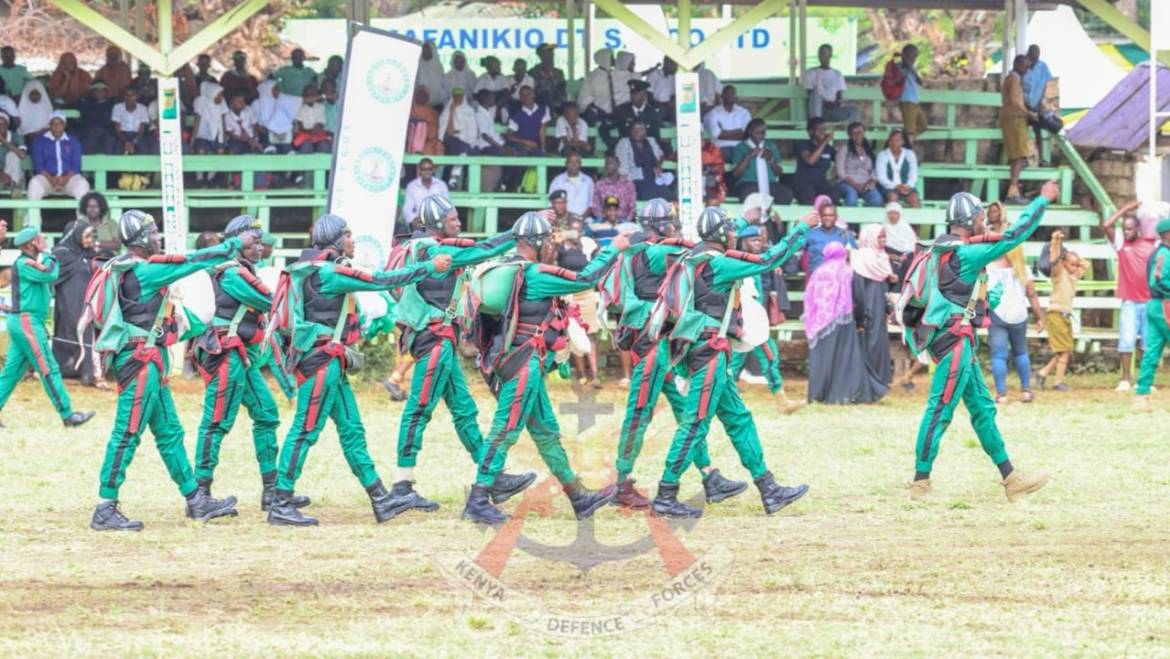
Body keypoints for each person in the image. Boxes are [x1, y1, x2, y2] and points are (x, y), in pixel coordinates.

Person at [264, 215, 452, 526]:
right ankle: (281, 502)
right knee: (305, 430)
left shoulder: (317, 270)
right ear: (335, 240)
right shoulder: (330, 273)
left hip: (331, 364)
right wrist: (429, 268)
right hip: (322, 364)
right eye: (348, 235)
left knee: (352, 431)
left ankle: (380, 498)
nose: (352, 241)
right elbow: (382, 280)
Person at [89, 211, 254, 531]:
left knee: (169, 434)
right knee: (127, 433)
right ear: (139, 238)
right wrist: (232, 244)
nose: (157, 237)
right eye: (152, 232)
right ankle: (105, 507)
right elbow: (189, 261)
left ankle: (196, 500)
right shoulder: (144, 270)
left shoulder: (133, 268)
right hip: (140, 363)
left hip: (148, 362)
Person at [459, 212, 628, 524]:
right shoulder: (534, 274)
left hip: (524, 361)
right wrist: (612, 249)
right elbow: (585, 280)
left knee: (546, 432)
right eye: (550, 240)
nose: (554, 246)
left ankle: (578, 497)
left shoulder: (513, 268)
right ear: (536, 243)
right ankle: (478, 499)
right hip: (524, 363)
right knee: (505, 428)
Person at [650, 207, 812, 518]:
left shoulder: (692, 257)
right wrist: (800, 229)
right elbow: (768, 261)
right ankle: (665, 494)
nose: (735, 235)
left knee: (739, 419)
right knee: (695, 424)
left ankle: (768, 488)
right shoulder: (719, 263)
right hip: (708, 354)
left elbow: (718, 235)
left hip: (701, 351)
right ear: (723, 235)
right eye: (732, 230)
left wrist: (746, 220)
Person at [906, 187, 1058, 502]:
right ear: (971, 219)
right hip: (955, 344)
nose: (984, 221)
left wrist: (993, 298)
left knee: (983, 410)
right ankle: (920, 483)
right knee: (939, 409)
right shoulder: (965, 253)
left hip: (955, 341)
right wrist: (1042, 199)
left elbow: (960, 296)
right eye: (980, 216)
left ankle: (1011, 479)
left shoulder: (942, 249)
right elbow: (1014, 236)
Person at [385, 196, 530, 513]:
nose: (458, 222)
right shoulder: (437, 250)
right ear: (437, 223)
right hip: (434, 339)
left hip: (439, 339)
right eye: (452, 218)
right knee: (418, 409)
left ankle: (492, 476)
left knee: (464, 409)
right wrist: (520, 230)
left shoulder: (417, 247)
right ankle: (401, 486)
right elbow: (487, 249)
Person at [610, 200, 748, 508]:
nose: (675, 228)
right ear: (663, 226)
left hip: (656, 342)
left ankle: (709, 473)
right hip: (653, 345)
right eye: (671, 224)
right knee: (639, 413)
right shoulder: (659, 252)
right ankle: (621, 484)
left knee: (681, 407)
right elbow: (698, 253)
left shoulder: (636, 250)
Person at [185, 216, 290, 513]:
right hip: (225, 355)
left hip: (240, 356)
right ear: (237, 243)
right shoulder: (232, 274)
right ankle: (200, 494)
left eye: (260, 240)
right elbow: (270, 300)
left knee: (267, 413)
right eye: (254, 241)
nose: (260, 246)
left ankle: (272, 491)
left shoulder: (242, 270)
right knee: (216, 421)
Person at [0, 224, 95, 427]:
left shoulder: (28, 263)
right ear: (31, 243)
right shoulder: (26, 263)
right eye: (39, 238)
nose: (42, 239)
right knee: (49, 368)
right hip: (27, 321)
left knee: (12, 372)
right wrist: (49, 253)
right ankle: (67, 414)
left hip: (26, 322)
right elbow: (51, 274)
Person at [727, 224, 804, 413]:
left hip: (752, 321)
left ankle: (781, 401)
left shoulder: (758, 261)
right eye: (753, 240)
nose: (758, 244)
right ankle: (782, 402)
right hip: (743, 322)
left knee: (737, 362)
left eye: (760, 241)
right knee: (766, 357)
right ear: (742, 242)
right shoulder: (736, 261)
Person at [804, 240, 889, 404]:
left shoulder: (818, 272)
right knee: (845, 358)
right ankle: (846, 394)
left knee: (823, 358)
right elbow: (859, 298)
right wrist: (859, 320)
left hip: (819, 323)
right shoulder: (849, 272)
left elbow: (809, 299)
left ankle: (819, 394)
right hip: (844, 321)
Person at [985, 201, 1044, 404]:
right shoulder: (1022, 269)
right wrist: (1039, 317)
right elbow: (1032, 294)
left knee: (999, 355)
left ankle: (1001, 394)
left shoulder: (989, 267)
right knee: (1021, 351)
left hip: (998, 313)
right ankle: (1026, 391)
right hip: (1019, 313)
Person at [1103, 200, 1158, 391]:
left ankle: (1144, 380)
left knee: (1146, 343)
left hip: (1149, 300)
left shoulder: (1151, 243)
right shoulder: (1120, 243)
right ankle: (1125, 379)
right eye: (1124, 229)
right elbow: (1106, 225)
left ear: (1139, 229)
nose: (1126, 232)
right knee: (1126, 340)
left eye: (1130, 229)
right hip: (1130, 301)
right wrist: (1126, 208)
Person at [1035, 230, 1084, 392]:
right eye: (1072, 264)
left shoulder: (1073, 276)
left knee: (1065, 350)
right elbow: (1054, 259)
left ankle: (1042, 373)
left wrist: (1075, 260)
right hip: (1055, 314)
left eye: (1076, 265)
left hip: (1065, 316)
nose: (1075, 268)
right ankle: (1058, 382)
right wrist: (1055, 241)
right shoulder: (1059, 273)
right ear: (1063, 263)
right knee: (1064, 351)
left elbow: (1085, 265)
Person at [51, 220, 98, 384]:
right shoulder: (60, 254)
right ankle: (66, 369)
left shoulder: (88, 254)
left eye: (91, 236)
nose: (89, 240)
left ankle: (86, 373)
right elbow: (51, 277)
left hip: (87, 303)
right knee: (69, 331)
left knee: (85, 332)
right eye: (86, 236)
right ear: (75, 236)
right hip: (67, 303)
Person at [852, 225, 898, 385]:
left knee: (879, 341)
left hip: (879, 304)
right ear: (871, 238)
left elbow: (884, 285)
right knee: (868, 340)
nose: (883, 240)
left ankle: (880, 378)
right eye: (880, 237)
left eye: (884, 236)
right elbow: (858, 286)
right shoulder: (861, 258)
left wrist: (891, 281)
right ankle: (867, 379)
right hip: (866, 305)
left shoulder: (882, 257)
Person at [1134, 218, 1170, 411]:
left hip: (1155, 306)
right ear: (1167, 235)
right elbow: (1159, 282)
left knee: (1152, 351)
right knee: (1152, 351)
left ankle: (1142, 394)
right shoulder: (1164, 255)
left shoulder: (1160, 253)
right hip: (1165, 305)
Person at [29, 112, 90, 201]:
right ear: (49, 125)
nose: (57, 126)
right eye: (54, 123)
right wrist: (52, 180)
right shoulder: (39, 141)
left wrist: (64, 179)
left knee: (82, 184)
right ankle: (33, 215)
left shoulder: (73, 141)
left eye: (60, 123)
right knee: (34, 183)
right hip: (47, 180)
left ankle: (83, 215)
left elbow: (76, 166)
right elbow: (38, 166)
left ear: (65, 124)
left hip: (68, 179)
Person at [729, 118, 791, 204]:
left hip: (770, 183)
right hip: (749, 183)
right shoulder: (741, 147)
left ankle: (776, 216)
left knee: (786, 194)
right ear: (750, 132)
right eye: (757, 133)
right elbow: (736, 174)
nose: (760, 136)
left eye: (763, 133)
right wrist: (748, 156)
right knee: (746, 194)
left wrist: (771, 160)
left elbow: (779, 173)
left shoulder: (771, 146)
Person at [1001, 55, 1035, 205]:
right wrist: (1028, 113)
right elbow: (1015, 101)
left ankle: (1014, 189)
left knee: (1018, 156)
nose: (1027, 70)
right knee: (1018, 156)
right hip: (1015, 119)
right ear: (1018, 64)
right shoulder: (1014, 79)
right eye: (1025, 66)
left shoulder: (1010, 78)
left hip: (1010, 118)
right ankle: (1013, 192)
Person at [615, 121, 671, 201]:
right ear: (630, 131)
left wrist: (659, 166)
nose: (637, 132)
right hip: (635, 179)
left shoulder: (651, 140)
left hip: (653, 178)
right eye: (634, 129)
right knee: (650, 196)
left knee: (668, 196)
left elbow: (660, 155)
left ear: (645, 131)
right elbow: (623, 168)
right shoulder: (624, 143)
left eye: (640, 129)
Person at [804, 44, 860, 124]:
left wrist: (835, 103)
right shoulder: (810, 73)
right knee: (816, 93)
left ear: (830, 55)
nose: (822, 56)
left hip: (833, 110)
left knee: (853, 111)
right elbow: (810, 95)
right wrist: (824, 103)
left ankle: (849, 129)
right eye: (820, 54)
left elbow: (839, 96)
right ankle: (816, 126)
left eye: (825, 53)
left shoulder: (837, 74)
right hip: (818, 112)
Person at [790, 117, 838, 206]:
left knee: (834, 196)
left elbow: (840, 159)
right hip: (803, 181)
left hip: (821, 182)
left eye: (824, 129)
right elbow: (810, 160)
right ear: (811, 132)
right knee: (808, 197)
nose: (823, 132)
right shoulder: (803, 144)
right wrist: (825, 141)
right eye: (819, 130)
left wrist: (835, 171)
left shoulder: (829, 149)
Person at [604, 79, 664, 150]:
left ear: (644, 95)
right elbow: (603, 128)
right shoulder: (621, 111)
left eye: (637, 94)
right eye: (632, 94)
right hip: (626, 149)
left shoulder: (652, 112)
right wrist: (614, 144)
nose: (633, 97)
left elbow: (656, 135)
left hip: (647, 150)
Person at [835, 122, 883, 207]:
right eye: (854, 133)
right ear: (849, 135)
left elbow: (873, 172)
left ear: (864, 132)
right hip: (847, 183)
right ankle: (850, 220)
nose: (857, 135)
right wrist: (855, 185)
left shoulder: (869, 150)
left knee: (877, 200)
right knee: (851, 196)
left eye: (860, 132)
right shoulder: (844, 149)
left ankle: (868, 220)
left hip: (866, 184)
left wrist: (869, 182)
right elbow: (840, 172)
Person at [577, 49, 630, 126]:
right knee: (591, 114)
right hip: (597, 109)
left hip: (615, 110)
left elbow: (632, 76)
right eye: (611, 57)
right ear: (604, 58)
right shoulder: (593, 76)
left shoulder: (615, 73)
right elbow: (584, 98)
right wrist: (600, 110)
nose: (613, 59)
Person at [803, 200, 856, 273]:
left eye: (831, 215)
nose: (827, 218)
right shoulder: (811, 234)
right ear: (820, 217)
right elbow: (798, 250)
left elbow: (854, 256)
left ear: (836, 217)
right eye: (824, 215)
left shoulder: (846, 234)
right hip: (816, 278)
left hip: (839, 278)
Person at [1022, 45, 1053, 165]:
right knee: (1022, 132)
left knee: (1038, 132)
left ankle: (1040, 158)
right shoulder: (1024, 66)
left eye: (1037, 56)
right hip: (1024, 104)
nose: (1035, 58)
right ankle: (1023, 157)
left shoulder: (1042, 66)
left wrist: (1042, 101)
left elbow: (1046, 82)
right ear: (1029, 54)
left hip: (1036, 103)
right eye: (1033, 55)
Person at [875, 129, 921, 208]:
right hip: (889, 187)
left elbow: (913, 174)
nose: (894, 143)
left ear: (902, 142)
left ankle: (914, 221)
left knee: (915, 200)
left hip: (907, 187)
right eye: (891, 141)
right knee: (893, 199)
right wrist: (896, 186)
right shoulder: (882, 155)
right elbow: (881, 177)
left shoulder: (909, 154)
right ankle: (893, 220)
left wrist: (908, 186)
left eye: (897, 140)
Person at [704, 85, 751, 160]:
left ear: (736, 97)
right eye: (727, 94)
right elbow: (717, 135)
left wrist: (723, 132)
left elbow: (746, 135)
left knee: (746, 156)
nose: (730, 96)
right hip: (721, 148)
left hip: (740, 147)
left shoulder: (744, 112)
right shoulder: (714, 113)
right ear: (722, 96)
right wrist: (738, 130)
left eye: (732, 93)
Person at [252, 79, 297, 156]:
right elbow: (254, 121)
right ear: (267, 90)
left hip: (281, 134)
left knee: (288, 150)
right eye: (274, 89)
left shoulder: (280, 102)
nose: (277, 91)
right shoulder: (256, 103)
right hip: (265, 133)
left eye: (277, 89)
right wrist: (262, 128)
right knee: (270, 146)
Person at [402, 158, 449, 227]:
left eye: (429, 169)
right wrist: (414, 219)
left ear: (433, 170)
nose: (427, 172)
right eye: (424, 169)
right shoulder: (412, 186)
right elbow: (407, 209)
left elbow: (447, 207)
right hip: (419, 221)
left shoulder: (441, 185)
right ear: (419, 170)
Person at [591, 154, 636, 222]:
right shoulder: (599, 185)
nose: (607, 166)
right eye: (606, 164)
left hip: (624, 222)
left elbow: (632, 206)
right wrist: (604, 220)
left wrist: (626, 221)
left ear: (618, 165)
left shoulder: (628, 184)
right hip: (605, 223)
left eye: (610, 163)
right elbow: (596, 207)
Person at [548, 151, 594, 217]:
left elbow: (590, 205)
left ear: (580, 164)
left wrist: (581, 219)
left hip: (584, 221)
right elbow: (551, 204)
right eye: (570, 162)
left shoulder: (588, 181)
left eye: (576, 162)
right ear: (566, 164)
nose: (573, 165)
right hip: (563, 222)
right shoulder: (557, 181)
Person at [897, 44, 927, 144]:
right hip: (906, 102)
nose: (913, 59)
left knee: (923, 125)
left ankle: (904, 142)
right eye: (910, 56)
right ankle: (908, 148)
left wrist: (911, 67)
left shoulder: (912, 68)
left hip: (915, 101)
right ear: (904, 55)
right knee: (910, 130)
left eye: (915, 56)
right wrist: (904, 59)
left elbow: (920, 81)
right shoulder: (899, 66)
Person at [112, 86, 155, 155]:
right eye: (127, 95)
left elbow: (141, 131)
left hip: (137, 135)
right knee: (117, 151)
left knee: (145, 151)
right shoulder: (117, 107)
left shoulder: (143, 108)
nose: (129, 97)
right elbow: (118, 130)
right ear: (124, 96)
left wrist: (133, 142)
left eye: (132, 95)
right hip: (122, 135)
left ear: (137, 97)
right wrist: (126, 142)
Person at [438, 87, 478, 157]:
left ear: (464, 97)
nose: (458, 98)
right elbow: (449, 132)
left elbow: (473, 130)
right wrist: (452, 110)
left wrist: (460, 132)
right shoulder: (446, 111)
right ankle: (457, 167)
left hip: (468, 139)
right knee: (463, 149)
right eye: (455, 96)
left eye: (460, 96)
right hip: (452, 139)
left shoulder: (469, 110)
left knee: (475, 151)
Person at [293, 84, 331, 154]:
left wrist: (313, 131)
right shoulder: (299, 107)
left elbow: (320, 126)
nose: (310, 96)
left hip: (317, 137)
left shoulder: (321, 107)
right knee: (307, 145)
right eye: (308, 94)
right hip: (304, 137)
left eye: (312, 94)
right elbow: (300, 127)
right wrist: (312, 131)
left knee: (323, 146)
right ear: (304, 95)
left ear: (316, 95)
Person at [408, 86, 443, 156]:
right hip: (414, 142)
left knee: (440, 150)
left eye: (425, 95)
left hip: (432, 141)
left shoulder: (433, 112)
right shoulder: (409, 110)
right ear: (415, 96)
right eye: (420, 94)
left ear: (428, 97)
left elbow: (438, 129)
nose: (422, 96)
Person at [531, 43, 566, 112]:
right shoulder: (534, 72)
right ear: (541, 55)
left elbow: (562, 91)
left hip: (558, 105)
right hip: (541, 105)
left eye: (552, 52)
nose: (552, 54)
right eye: (548, 52)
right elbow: (539, 91)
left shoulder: (559, 72)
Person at [415, 41, 446, 107]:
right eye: (424, 50)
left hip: (437, 105)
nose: (426, 52)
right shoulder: (417, 66)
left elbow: (443, 87)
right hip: (420, 105)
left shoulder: (439, 68)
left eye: (428, 50)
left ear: (433, 50)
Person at [0, 112, 26, 190]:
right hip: (1, 175)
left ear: (7, 125)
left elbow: (23, 155)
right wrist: (1, 174)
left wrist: (4, 141)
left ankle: (14, 185)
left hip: (16, 174)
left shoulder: (16, 137)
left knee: (13, 155)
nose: (1, 126)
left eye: (3, 123)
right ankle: (13, 186)